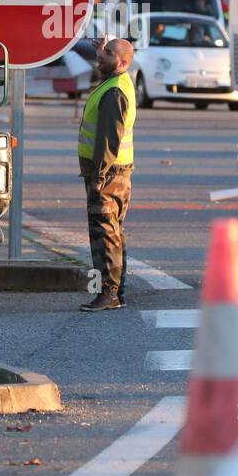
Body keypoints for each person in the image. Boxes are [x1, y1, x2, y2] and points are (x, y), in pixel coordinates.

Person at [77, 37, 137, 312]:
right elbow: (109, 60)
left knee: (104, 232)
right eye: (103, 52)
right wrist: (103, 50)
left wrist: (99, 176)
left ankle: (109, 293)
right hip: (118, 173)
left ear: (123, 62)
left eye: (108, 54)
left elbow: (108, 140)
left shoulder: (114, 93)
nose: (101, 57)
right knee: (114, 230)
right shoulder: (118, 81)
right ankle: (117, 291)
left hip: (108, 174)